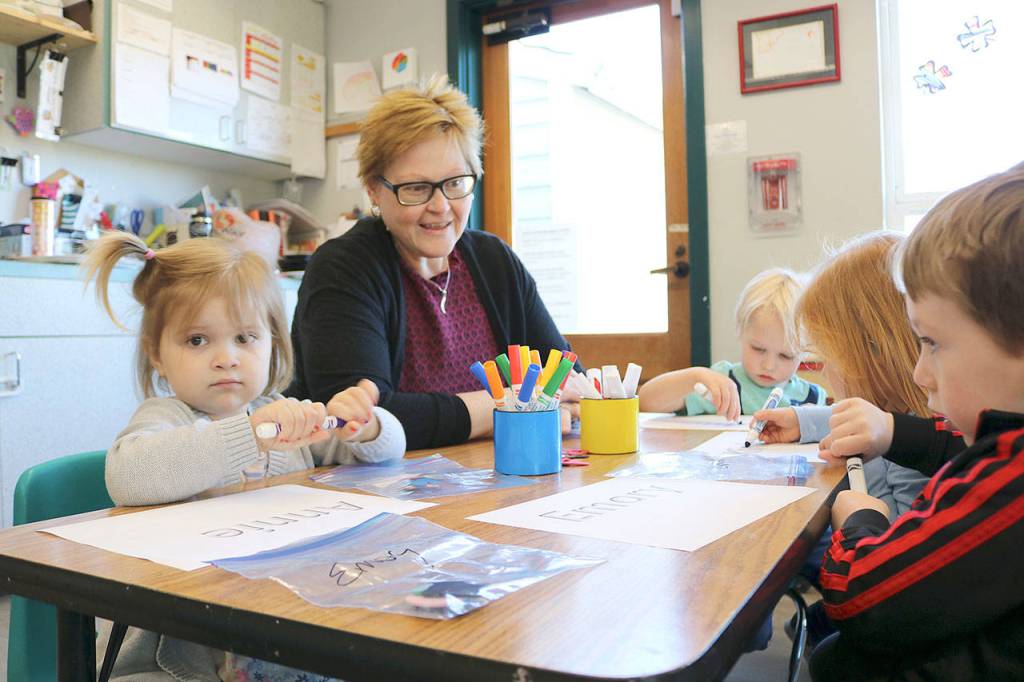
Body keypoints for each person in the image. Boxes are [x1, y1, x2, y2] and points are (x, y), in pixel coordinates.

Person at [83, 232, 405, 681]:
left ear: (271, 342)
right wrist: (250, 434)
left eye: (244, 337)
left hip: (276, 620)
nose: (225, 358)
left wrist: (365, 426)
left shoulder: (280, 412)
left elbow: (386, 455)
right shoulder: (166, 416)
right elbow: (129, 476)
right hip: (177, 657)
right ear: (157, 354)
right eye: (197, 340)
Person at [809, 167, 1024, 680]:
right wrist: (892, 431)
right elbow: (960, 452)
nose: (919, 371)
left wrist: (863, 522)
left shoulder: (1010, 481)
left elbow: (861, 598)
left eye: (932, 343)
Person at [289, 75, 576, 450]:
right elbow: (357, 420)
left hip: (493, 475)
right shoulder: (343, 268)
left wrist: (549, 399)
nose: (440, 206)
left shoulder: (495, 261)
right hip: (375, 489)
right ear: (375, 190)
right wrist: (511, 405)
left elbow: (564, 384)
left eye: (456, 183)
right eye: (416, 188)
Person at [639, 268, 826, 420]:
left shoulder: (812, 398)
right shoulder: (720, 384)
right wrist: (694, 377)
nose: (769, 365)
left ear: (804, 351)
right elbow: (646, 404)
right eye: (758, 349)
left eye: (785, 355)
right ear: (740, 332)